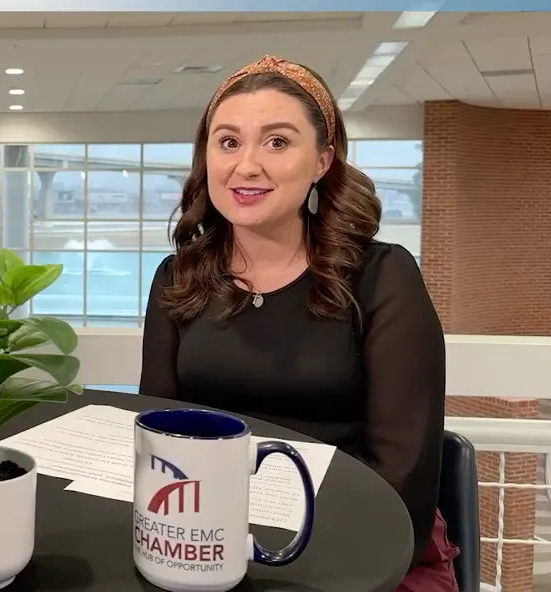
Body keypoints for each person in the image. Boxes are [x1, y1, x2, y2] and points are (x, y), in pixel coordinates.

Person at [139, 55, 458, 592]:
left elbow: (404, 473)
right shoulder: (178, 277)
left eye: (277, 142)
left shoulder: (383, 276)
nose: (246, 166)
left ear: (322, 161)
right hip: (204, 535)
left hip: (358, 537)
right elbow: (159, 439)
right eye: (228, 142)